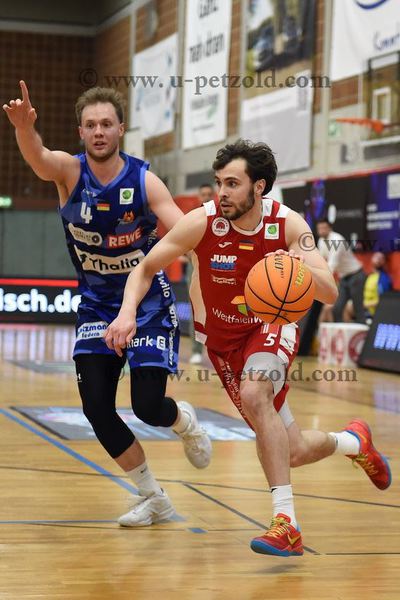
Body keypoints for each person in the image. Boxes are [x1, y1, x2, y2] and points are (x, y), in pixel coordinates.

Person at [105, 139, 391, 556]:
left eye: (232, 184)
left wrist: (297, 270)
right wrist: (127, 312)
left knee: (256, 393)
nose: (221, 192)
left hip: (270, 325)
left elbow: (329, 291)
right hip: (222, 344)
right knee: (292, 451)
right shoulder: (201, 222)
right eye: (219, 182)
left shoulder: (288, 225)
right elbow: (145, 268)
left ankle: (286, 524)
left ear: (259, 187)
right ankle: (353, 442)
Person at [3, 81, 212, 527]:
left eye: (106, 124)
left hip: (148, 302)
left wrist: (204, 290)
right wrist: (23, 128)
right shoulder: (69, 172)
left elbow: (188, 237)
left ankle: (184, 422)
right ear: (80, 131)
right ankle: (153, 497)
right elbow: (39, 158)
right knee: (96, 407)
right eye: (90, 125)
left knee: (147, 406)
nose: (98, 131)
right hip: (97, 306)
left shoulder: (144, 180)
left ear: (121, 129)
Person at [316, 219, 366, 323]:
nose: (321, 230)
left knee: (358, 309)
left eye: (324, 228)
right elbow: (321, 261)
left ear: (330, 228)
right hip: (343, 278)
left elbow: (332, 265)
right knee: (336, 309)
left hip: (356, 275)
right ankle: (341, 332)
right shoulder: (321, 241)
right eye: (319, 228)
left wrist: (318, 280)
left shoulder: (337, 240)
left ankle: (363, 333)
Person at [188, 183, 215, 365]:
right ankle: (196, 350)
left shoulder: (222, 216)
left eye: (208, 194)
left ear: (213, 195)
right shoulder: (193, 217)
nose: (206, 197)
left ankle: (220, 351)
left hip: (218, 266)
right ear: (199, 196)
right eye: (203, 194)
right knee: (196, 309)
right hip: (196, 267)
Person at [363, 251, 392, 320]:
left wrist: (365, 305)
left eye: (381, 258)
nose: (378, 259)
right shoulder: (368, 276)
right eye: (376, 257)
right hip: (363, 308)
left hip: (374, 312)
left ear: (384, 262)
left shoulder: (384, 279)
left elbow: (384, 300)